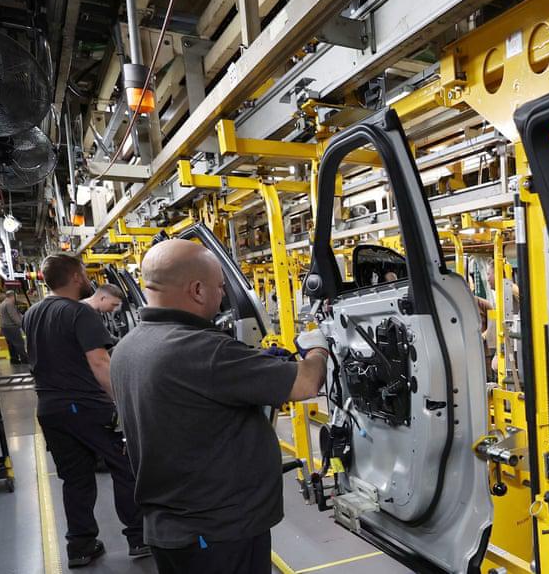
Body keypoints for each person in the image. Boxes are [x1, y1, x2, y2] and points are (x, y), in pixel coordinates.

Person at [109, 239, 328, 574]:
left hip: (170, 528)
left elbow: (192, 398)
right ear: (197, 290)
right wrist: (317, 349)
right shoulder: (203, 349)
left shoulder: (128, 347)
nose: (223, 296)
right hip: (219, 532)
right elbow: (305, 383)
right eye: (220, 287)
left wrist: (254, 367)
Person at [23, 254, 147, 567]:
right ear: (78, 276)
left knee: (76, 478)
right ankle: (139, 538)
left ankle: (80, 546)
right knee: (125, 466)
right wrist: (122, 403)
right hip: (84, 405)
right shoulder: (79, 312)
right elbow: (99, 362)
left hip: (48, 408)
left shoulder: (33, 313)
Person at [0, 290, 28, 366]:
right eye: (16, 297)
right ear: (12, 296)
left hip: (5, 327)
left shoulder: (3, 303)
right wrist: (22, 324)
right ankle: (24, 359)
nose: (16, 298)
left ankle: (14, 359)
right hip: (11, 327)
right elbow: (13, 316)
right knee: (19, 343)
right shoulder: (9, 304)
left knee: (11, 344)